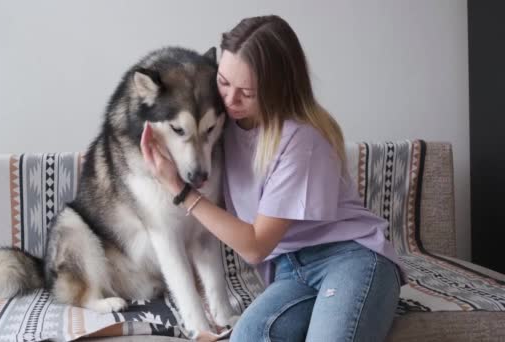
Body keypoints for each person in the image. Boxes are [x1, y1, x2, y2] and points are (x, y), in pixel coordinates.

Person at [140, 15, 402, 342]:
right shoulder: (223, 122)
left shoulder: (300, 141)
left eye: (246, 92)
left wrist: (179, 190)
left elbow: (255, 246)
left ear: (276, 89)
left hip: (351, 258)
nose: (230, 100)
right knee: (246, 336)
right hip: (289, 270)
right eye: (223, 82)